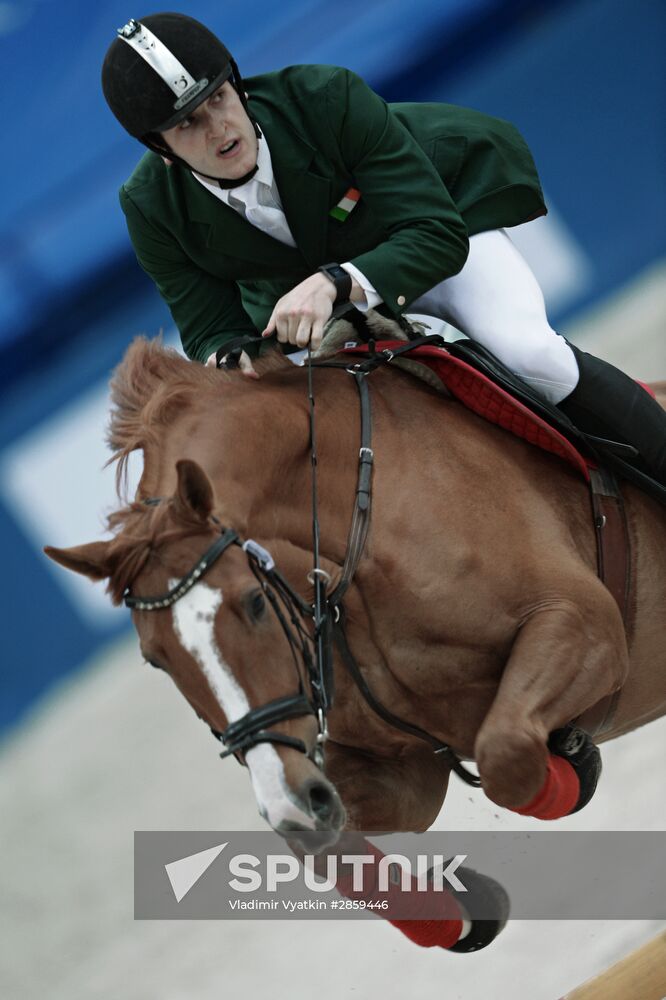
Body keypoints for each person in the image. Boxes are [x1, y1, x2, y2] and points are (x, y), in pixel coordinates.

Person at [102, 13, 666, 486]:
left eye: (220, 98)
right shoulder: (149, 206)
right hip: (314, 304)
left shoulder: (325, 97)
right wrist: (238, 362)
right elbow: (209, 330)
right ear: (162, 150)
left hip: (436, 228)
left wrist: (337, 282)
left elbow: (435, 233)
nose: (219, 127)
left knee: (529, 354)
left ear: (238, 84)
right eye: (187, 125)